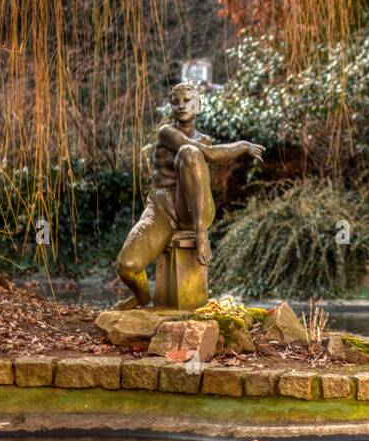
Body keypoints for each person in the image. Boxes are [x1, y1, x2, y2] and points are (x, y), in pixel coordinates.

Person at [113, 82, 264, 308]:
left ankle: (200, 233)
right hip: (162, 209)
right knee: (127, 266)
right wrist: (243, 145)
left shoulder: (203, 141)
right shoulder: (166, 133)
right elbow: (211, 154)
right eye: (176, 101)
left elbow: (206, 162)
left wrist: (200, 230)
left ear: (198, 105)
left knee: (190, 153)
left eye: (187, 100)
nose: (181, 105)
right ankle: (142, 297)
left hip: (195, 211)